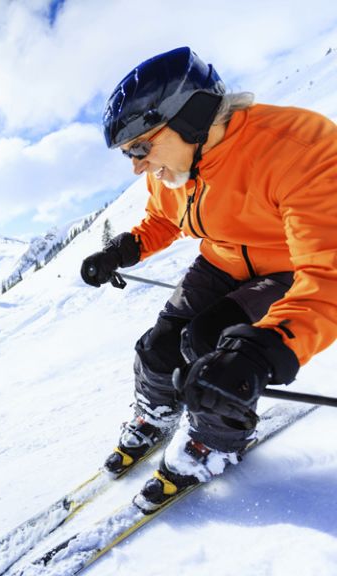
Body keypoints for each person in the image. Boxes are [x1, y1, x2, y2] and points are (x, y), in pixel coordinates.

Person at [81, 46, 337, 511]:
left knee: (213, 349)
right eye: (128, 155)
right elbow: (163, 219)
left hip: (287, 268)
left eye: (140, 147)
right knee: (159, 345)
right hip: (219, 261)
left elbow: (329, 274)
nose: (137, 165)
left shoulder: (299, 147)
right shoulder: (169, 169)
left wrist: (266, 350)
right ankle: (156, 412)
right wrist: (120, 251)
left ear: (193, 117)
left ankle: (213, 441)